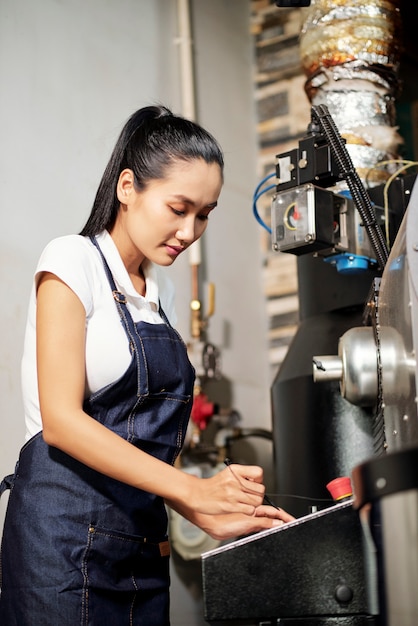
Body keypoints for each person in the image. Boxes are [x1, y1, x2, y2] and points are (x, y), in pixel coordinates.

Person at [0, 105, 293, 625]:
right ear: (128, 187)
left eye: (204, 214)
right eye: (178, 207)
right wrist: (191, 490)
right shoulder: (72, 260)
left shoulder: (164, 294)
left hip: (138, 549)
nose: (189, 230)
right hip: (61, 548)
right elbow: (62, 423)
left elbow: (145, 443)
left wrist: (210, 505)